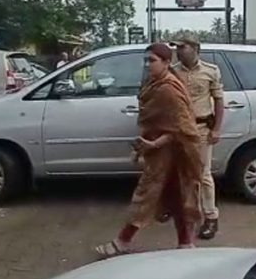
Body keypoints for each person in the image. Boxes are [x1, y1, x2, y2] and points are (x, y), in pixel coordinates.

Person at [94, 43, 202, 258]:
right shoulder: (153, 84)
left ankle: (122, 241)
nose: (147, 64)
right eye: (145, 60)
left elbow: (182, 127)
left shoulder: (169, 88)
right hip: (159, 152)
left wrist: (154, 144)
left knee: (147, 195)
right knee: (176, 195)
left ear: (166, 63)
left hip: (173, 152)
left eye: (152, 60)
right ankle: (185, 243)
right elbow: (153, 119)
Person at [171, 37, 224, 240]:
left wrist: (217, 129)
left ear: (195, 49)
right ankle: (186, 214)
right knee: (181, 174)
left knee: (203, 174)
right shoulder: (173, 71)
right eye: (176, 47)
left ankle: (211, 217)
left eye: (182, 47)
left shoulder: (210, 70)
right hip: (180, 129)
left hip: (202, 128)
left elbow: (219, 100)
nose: (178, 50)